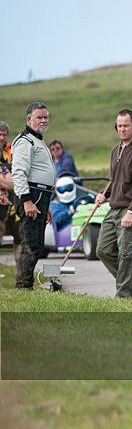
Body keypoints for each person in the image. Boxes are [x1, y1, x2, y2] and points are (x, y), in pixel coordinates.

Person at [95, 109, 132, 300]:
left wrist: (131, 212)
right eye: (119, 126)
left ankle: (124, 298)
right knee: (103, 250)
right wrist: (105, 194)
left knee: (127, 255)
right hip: (114, 209)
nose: (122, 129)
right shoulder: (115, 150)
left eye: (126, 125)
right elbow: (116, 179)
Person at [10, 102, 57, 289]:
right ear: (29, 119)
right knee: (31, 243)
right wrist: (27, 201)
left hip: (40, 197)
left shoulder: (38, 141)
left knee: (37, 243)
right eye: (40, 117)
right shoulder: (25, 141)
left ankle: (25, 283)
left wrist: (46, 207)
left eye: (46, 117)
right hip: (31, 195)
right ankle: (23, 286)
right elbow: (19, 172)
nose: (44, 120)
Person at [1, 120, 21, 250]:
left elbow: (17, 178)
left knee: (19, 236)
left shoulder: (12, 150)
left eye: (4, 135)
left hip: (15, 201)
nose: (1, 138)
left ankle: (19, 269)